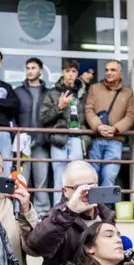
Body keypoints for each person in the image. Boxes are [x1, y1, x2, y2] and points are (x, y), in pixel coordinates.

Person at [26, 161, 115, 265]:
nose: (86, 191)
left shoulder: (106, 215)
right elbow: (37, 245)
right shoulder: (57, 216)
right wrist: (70, 212)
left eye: (91, 185)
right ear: (65, 191)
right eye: (79, 187)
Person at [42, 59, 88, 207]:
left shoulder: (83, 92)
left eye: (73, 71)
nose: (70, 75)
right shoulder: (53, 93)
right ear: (62, 72)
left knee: (77, 177)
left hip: (77, 139)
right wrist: (60, 106)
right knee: (59, 177)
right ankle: (58, 209)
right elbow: (43, 118)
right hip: (59, 139)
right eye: (67, 71)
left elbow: (89, 114)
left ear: (77, 74)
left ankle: (75, 207)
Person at [85, 60, 134, 188]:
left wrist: (115, 129)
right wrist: (98, 126)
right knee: (92, 178)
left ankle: (105, 208)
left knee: (109, 177)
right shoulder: (94, 88)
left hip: (115, 140)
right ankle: (92, 208)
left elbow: (130, 116)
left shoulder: (128, 92)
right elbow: (88, 110)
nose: (109, 73)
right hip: (96, 139)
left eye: (113, 70)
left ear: (120, 72)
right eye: (107, 70)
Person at [16, 57, 51, 213]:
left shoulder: (49, 93)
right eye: (28, 68)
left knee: (41, 180)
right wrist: (16, 135)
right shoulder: (17, 92)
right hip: (22, 143)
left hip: (42, 142)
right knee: (22, 179)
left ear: (41, 71)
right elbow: (13, 116)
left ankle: (42, 212)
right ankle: (20, 210)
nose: (30, 71)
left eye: (33, 68)